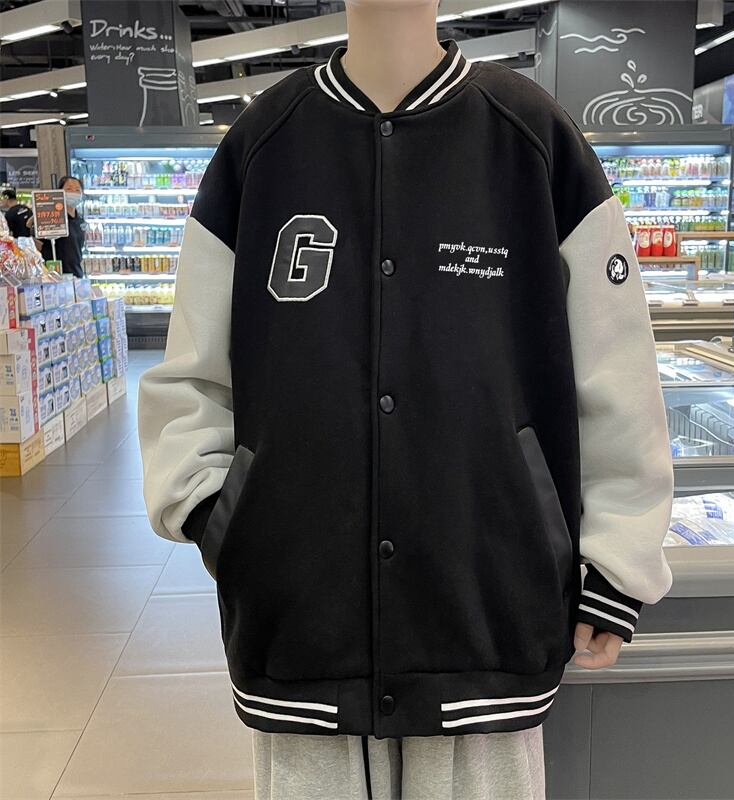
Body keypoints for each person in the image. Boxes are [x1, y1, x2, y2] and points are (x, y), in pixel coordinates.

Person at [138, 1, 675, 798]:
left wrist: (618, 562)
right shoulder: (262, 144)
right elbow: (190, 372)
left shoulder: (531, 137)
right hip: (301, 620)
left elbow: (617, 368)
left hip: (483, 605)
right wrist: (224, 518)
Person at [34, 176, 86, 277]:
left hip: (76, 275)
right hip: (56, 276)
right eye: (69, 189)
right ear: (59, 192)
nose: (73, 193)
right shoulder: (51, 218)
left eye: (77, 190)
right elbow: (37, 244)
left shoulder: (80, 220)